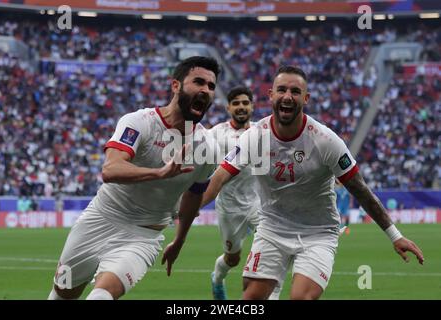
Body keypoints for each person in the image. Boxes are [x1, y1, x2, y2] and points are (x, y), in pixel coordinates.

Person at [203, 65, 424, 300]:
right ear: (271, 95)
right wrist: (188, 211)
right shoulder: (255, 136)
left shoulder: (326, 141)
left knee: (301, 298)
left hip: (317, 232)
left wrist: (395, 235)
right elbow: (219, 176)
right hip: (272, 227)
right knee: (251, 299)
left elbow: (360, 189)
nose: (288, 96)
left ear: (305, 98)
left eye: (295, 91)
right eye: (282, 90)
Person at [48, 56, 220, 300]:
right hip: (99, 220)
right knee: (63, 293)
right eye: (198, 82)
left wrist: (179, 241)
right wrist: (159, 172)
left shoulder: (208, 147)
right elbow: (110, 170)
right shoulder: (139, 123)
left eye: (211, 86)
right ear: (176, 85)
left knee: (101, 296)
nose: (205, 90)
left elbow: (194, 195)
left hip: (143, 235)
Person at [202, 86, 281, 300]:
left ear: (252, 106)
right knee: (233, 258)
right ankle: (217, 279)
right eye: (236, 103)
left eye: (245, 103)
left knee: (272, 250)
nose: (241, 107)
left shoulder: (263, 131)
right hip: (229, 207)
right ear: (228, 107)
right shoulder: (215, 134)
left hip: (259, 204)